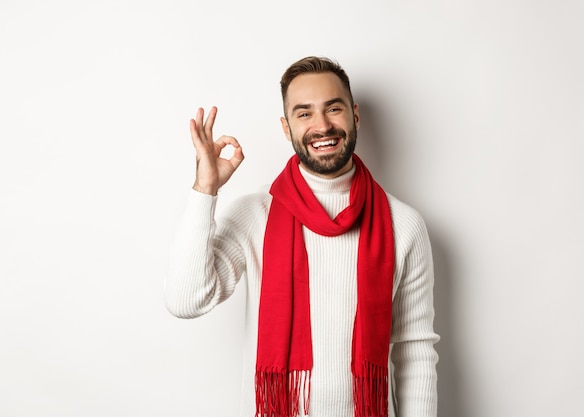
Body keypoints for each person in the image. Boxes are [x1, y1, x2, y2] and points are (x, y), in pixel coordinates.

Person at [165, 56, 439, 417]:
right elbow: (186, 301)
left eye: (333, 108)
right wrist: (205, 189)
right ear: (286, 127)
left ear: (355, 115)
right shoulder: (255, 214)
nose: (322, 125)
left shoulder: (402, 224)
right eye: (304, 113)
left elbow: (414, 350)